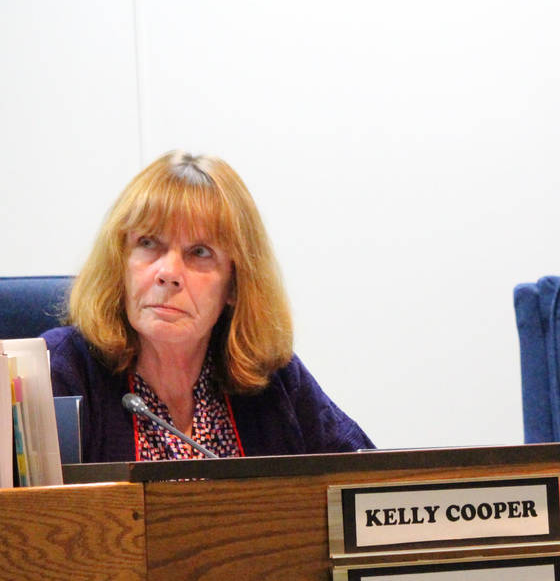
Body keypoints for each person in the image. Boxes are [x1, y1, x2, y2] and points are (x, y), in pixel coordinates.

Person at [46, 151, 373, 461]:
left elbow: (373, 483)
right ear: (120, 262)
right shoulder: (61, 372)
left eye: (199, 252)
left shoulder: (271, 380)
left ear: (234, 283)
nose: (169, 273)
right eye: (148, 243)